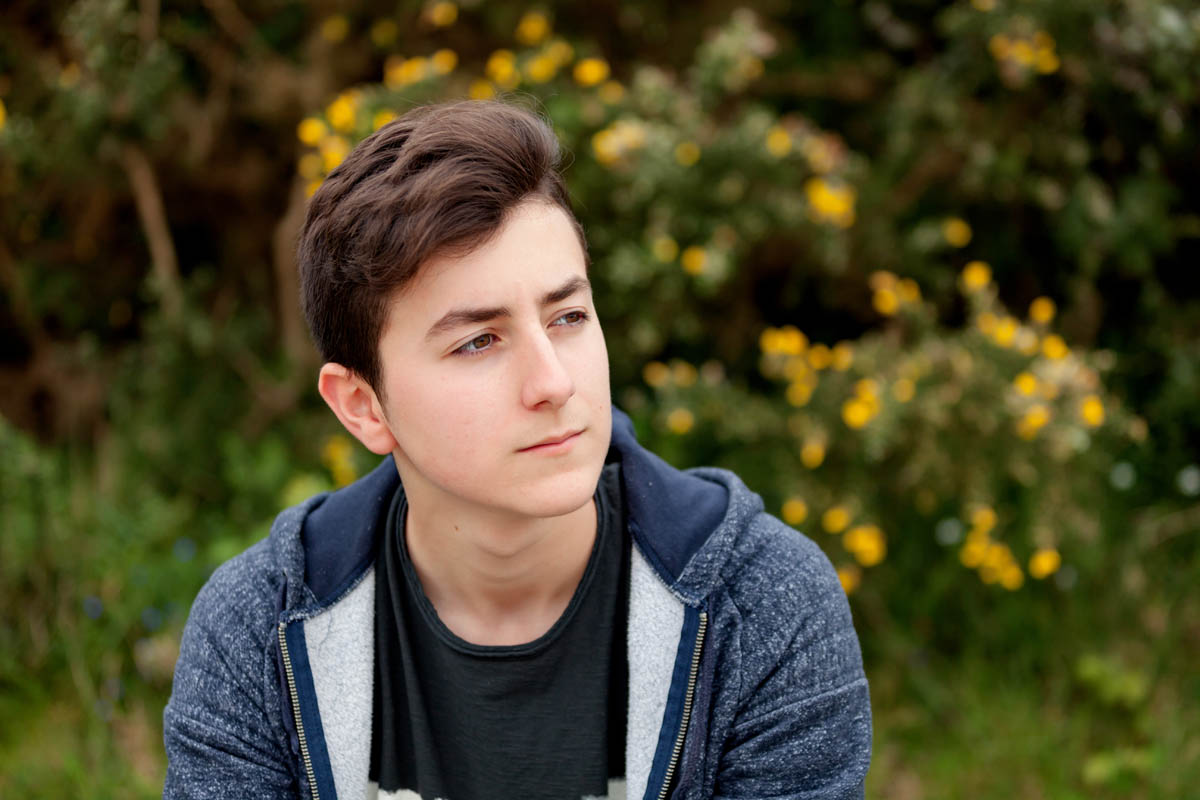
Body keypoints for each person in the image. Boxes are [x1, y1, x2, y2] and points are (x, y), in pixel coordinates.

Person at [163, 99, 871, 800]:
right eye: (478, 342)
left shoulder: (761, 606)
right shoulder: (259, 633)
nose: (554, 383)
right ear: (363, 406)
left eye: (567, 317)